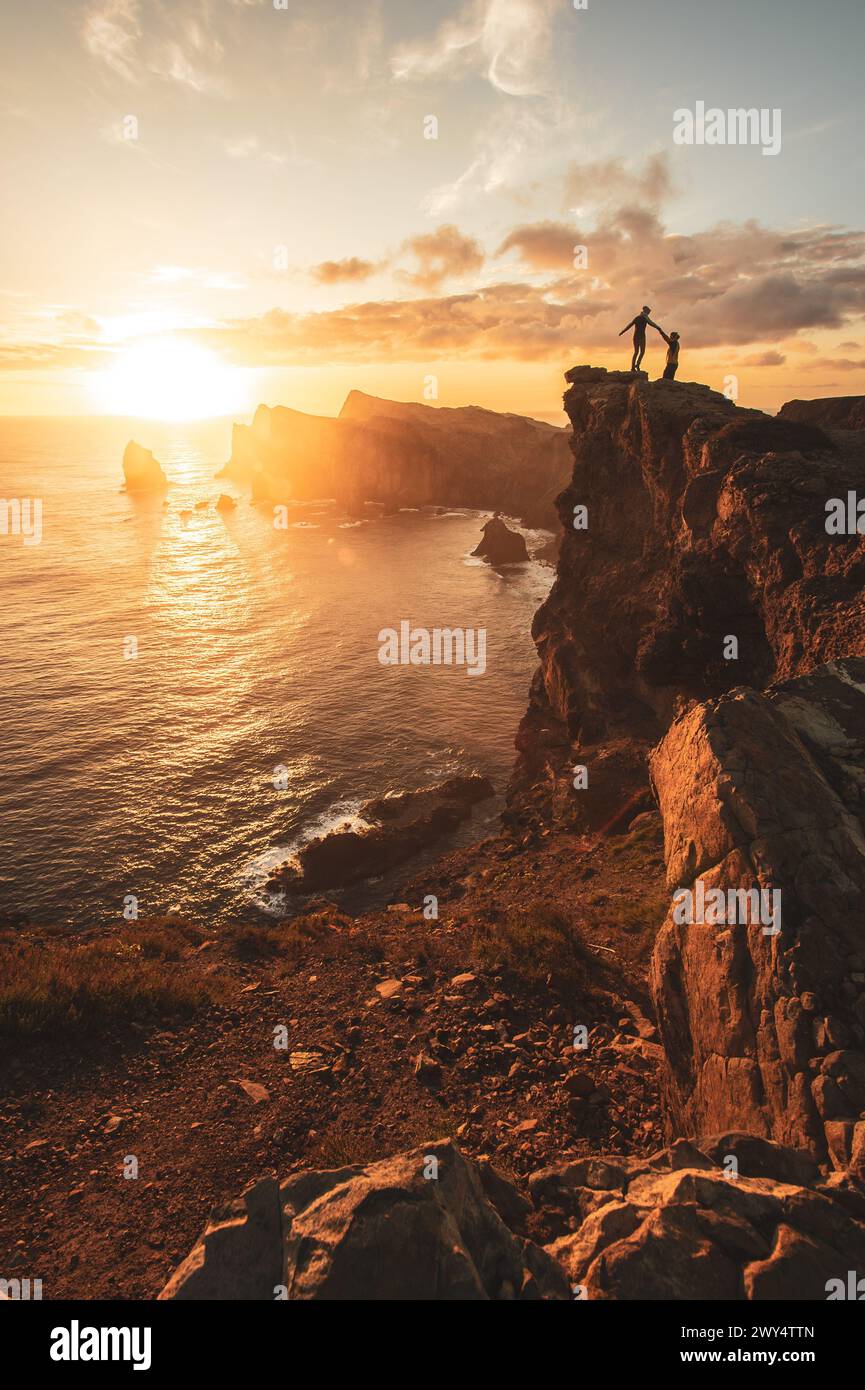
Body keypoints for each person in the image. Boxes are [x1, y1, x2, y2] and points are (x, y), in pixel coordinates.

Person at [619, 305, 664, 372]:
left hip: (636, 337)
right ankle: (637, 365)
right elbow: (651, 323)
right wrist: (658, 328)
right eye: (648, 311)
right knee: (642, 352)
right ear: (646, 311)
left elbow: (630, 325)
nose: (649, 313)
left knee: (636, 352)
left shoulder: (637, 317)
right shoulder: (645, 318)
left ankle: (633, 367)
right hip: (641, 337)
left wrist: (622, 331)